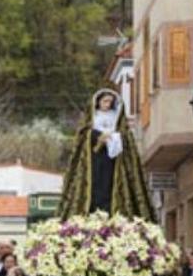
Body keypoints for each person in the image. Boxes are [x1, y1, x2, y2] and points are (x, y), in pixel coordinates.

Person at [58, 89, 155, 221]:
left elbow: (126, 138)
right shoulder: (92, 119)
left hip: (114, 162)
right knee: (95, 186)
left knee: (110, 186)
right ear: (98, 102)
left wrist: (116, 137)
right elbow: (83, 137)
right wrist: (97, 136)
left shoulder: (117, 119)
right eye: (105, 101)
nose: (107, 104)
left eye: (110, 101)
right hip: (94, 160)